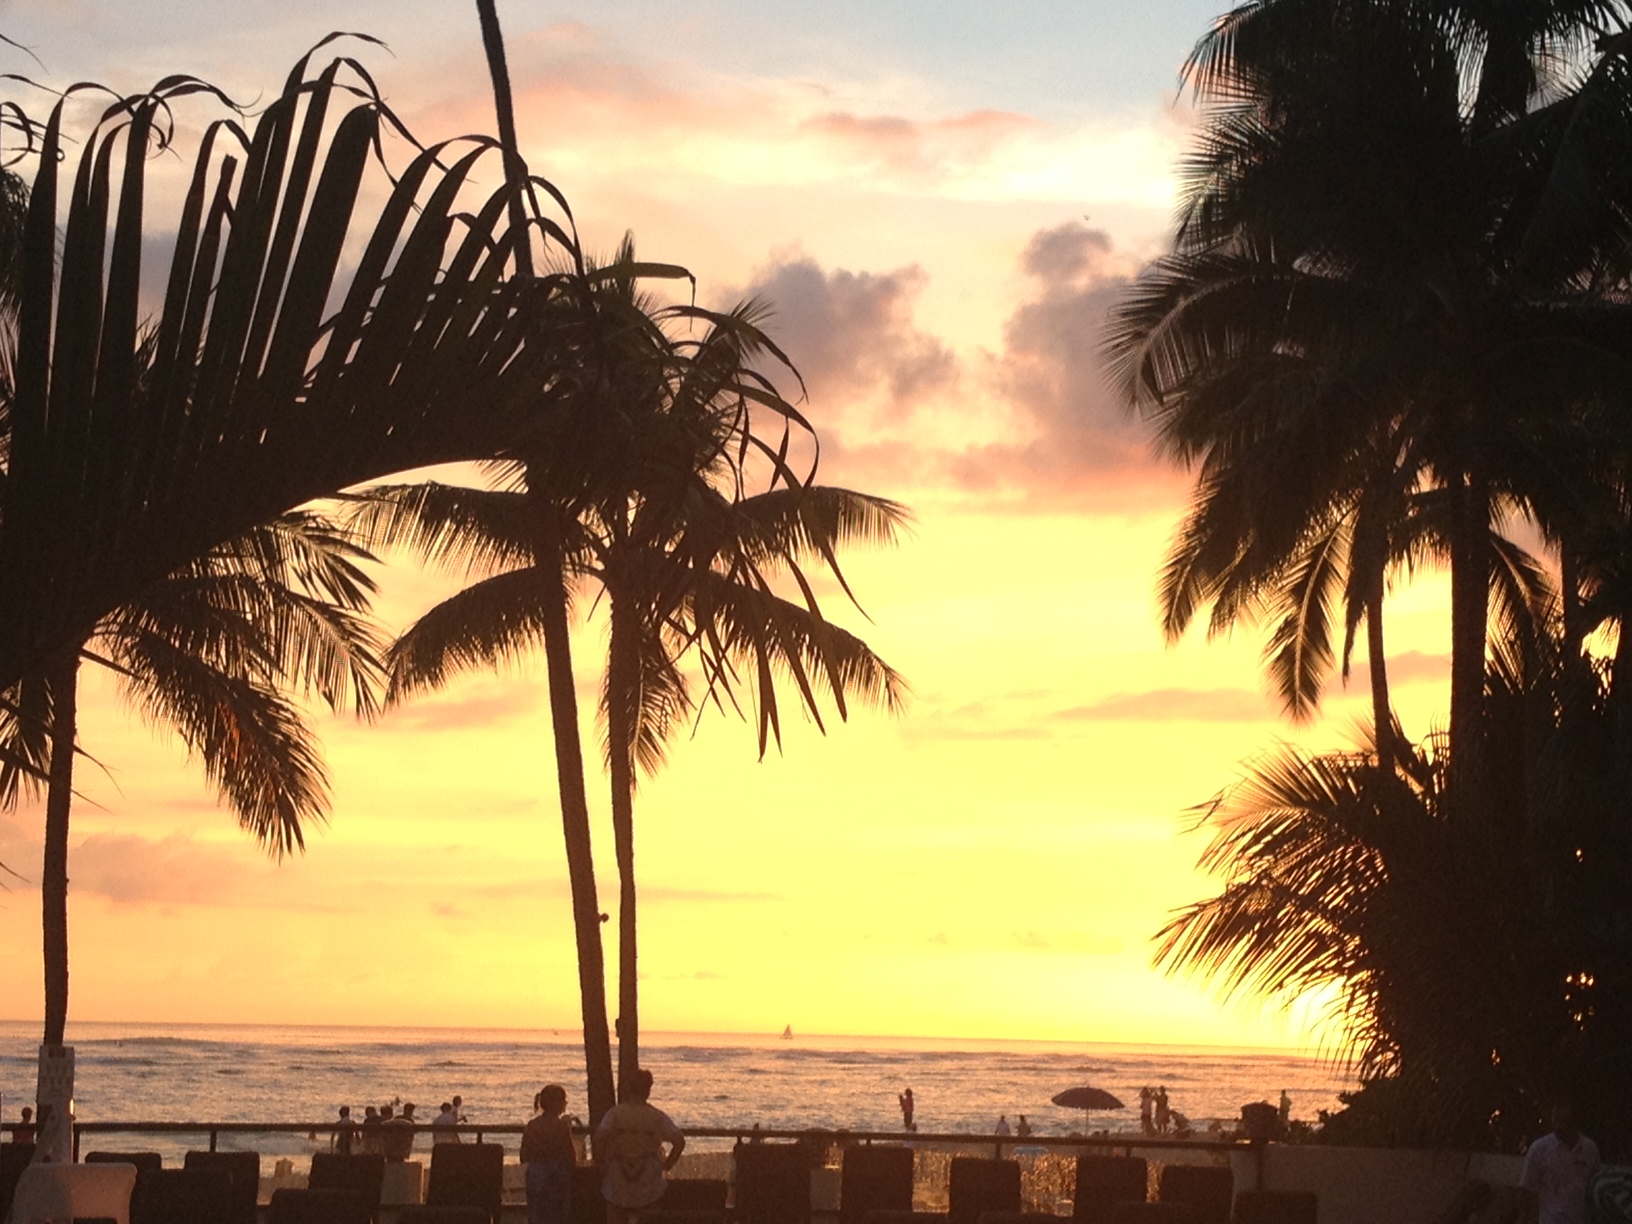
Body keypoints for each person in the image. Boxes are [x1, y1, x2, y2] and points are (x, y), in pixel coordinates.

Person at [593, 1068, 684, 1224]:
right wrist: (667, 1165)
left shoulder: (615, 1113)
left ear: (628, 1088)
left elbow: (598, 1138)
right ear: (648, 1090)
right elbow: (679, 1141)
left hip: (617, 1175)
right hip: (648, 1175)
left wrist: (602, 1164)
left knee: (615, 1216)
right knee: (650, 1216)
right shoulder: (656, 1116)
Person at [1521, 1104, 1600, 1224]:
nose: (1558, 1125)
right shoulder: (1539, 1149)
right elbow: (1526, 1190)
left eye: (1563, 1120)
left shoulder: (1590, 1149)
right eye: (1556, 1119)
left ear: (1574, 1121)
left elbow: (1595, 1188)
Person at [522, 1085, 576, 1224]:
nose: (565, 1103)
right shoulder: (561, 1126)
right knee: (558, 1215)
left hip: (536, 1173)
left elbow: (523, 1155)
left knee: (536, 1214)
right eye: (563, 1100)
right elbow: (570, 1154)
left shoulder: (532, 1124)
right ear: (556, 1103)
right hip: (557, 1174)